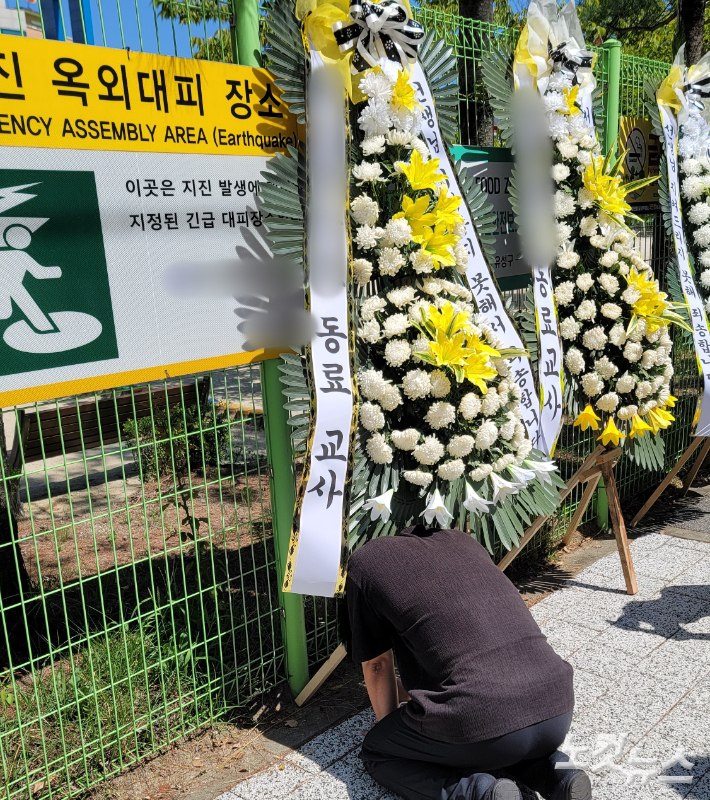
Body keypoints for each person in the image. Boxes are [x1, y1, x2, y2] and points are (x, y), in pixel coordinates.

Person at [342, 524, 591, 800]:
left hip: (483, 718)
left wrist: (390, 733)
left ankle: (481, 792)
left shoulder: (367, 561)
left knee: (378, 751)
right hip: (556, 707)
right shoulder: (463, 541)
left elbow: (376, 665)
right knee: (504, 733)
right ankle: (563, 775)